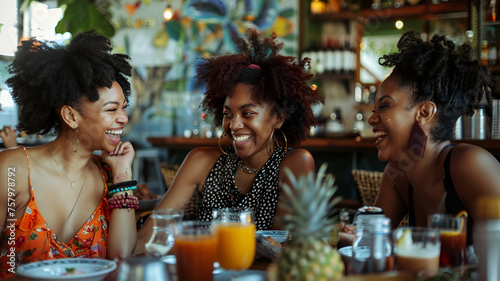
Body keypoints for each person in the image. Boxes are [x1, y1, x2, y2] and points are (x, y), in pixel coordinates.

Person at [135, 28, 324, 255]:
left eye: (247, 113)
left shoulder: (295, 164)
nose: (234, 125)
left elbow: (281, 251)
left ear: (278, 118)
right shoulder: (201, 161)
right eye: (227, 114)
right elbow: (149, 237)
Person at [0, 30, 137, 278]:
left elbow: (122, 259)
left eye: (124, 108)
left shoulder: (109, 175)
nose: (123, 118)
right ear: (71, 116)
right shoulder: (12, 169)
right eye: (112, 109)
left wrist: (122, 173)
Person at [368, 32, 500, 249]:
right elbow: (370, 243)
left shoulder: (471, 165)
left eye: (384, 106)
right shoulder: (397, 175)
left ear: (425, 112)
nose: (372, 119)